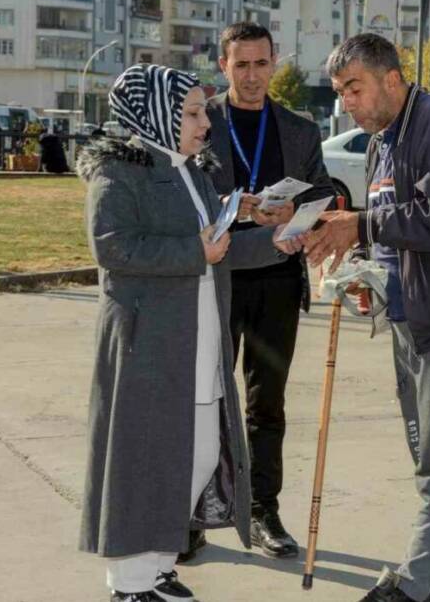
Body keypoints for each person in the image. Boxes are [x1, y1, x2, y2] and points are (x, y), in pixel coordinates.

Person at [77, 64, 305, 601]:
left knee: (197, 453)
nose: (206, 124)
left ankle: (157, 566)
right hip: (147, 343)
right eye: (193, 113)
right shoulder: (119, 170)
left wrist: (281, 242)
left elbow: (218, 249)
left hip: (199, 336)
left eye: (203, 111)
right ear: (155, 113)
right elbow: (112, 247)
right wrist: (192, 252)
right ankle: (129, 583)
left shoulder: (192, 171)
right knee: (144, 460)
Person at [304, 33, 430, 602]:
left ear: (393, 79)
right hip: (410, 319)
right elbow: (392, 232)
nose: (347, 102)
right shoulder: (379, 143)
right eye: (341, 91)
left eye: (355, 88)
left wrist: (361, 225)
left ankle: (412, 588)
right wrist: (364, 268)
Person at [185, 21, 337, 561]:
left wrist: (297, 212)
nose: (251, 76)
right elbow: (188, 187)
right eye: (240, 65)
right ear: (223, 66)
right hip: (216, 281)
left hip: (276, 280)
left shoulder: (299, 128)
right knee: (205, 400)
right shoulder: (203, 120)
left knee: (265, 406)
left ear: (276, 63)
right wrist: (238, 205)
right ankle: (195, 515)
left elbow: (323, 189)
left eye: (261, 63)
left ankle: (263, 510)